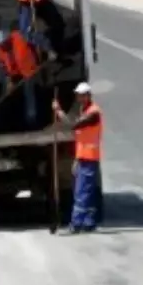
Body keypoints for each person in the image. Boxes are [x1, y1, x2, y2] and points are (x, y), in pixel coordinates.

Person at [52, 81, 103, 233]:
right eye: (77, 96)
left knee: (81, 193)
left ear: (88, 96)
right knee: (86, 191)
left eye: (81, 96)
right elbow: (81, 138)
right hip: (83, 158)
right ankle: (89, 222)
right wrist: (76, 159)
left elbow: (73, 125)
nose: (78, 98)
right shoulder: (85, 110)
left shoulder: (93, 113)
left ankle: (75, 225)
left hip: (89, 158)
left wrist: (59, 111)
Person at [0, 26, 41, 128]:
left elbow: (38, 41)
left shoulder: (20, 37)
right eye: (0, 45)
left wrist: (47, 52)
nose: (2, 46)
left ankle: (31, 120)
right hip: (12, 71)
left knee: (29, 93)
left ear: (8, 39)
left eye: (4, 43)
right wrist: (9, 80)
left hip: (28, 69)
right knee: (6, 93)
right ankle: (4, 119)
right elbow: (3, 64)